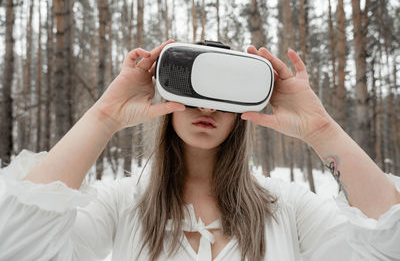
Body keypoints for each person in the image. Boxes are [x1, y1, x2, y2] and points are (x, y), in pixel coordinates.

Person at [0, 39, 399, 261]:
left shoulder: (286, 207)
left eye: (222, 94)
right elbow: (19, 246)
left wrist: (321, 130)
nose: (207, 107)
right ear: (168, 93)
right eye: (192, 90)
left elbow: (389, 243)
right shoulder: (123, 203)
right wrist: (105, 115)